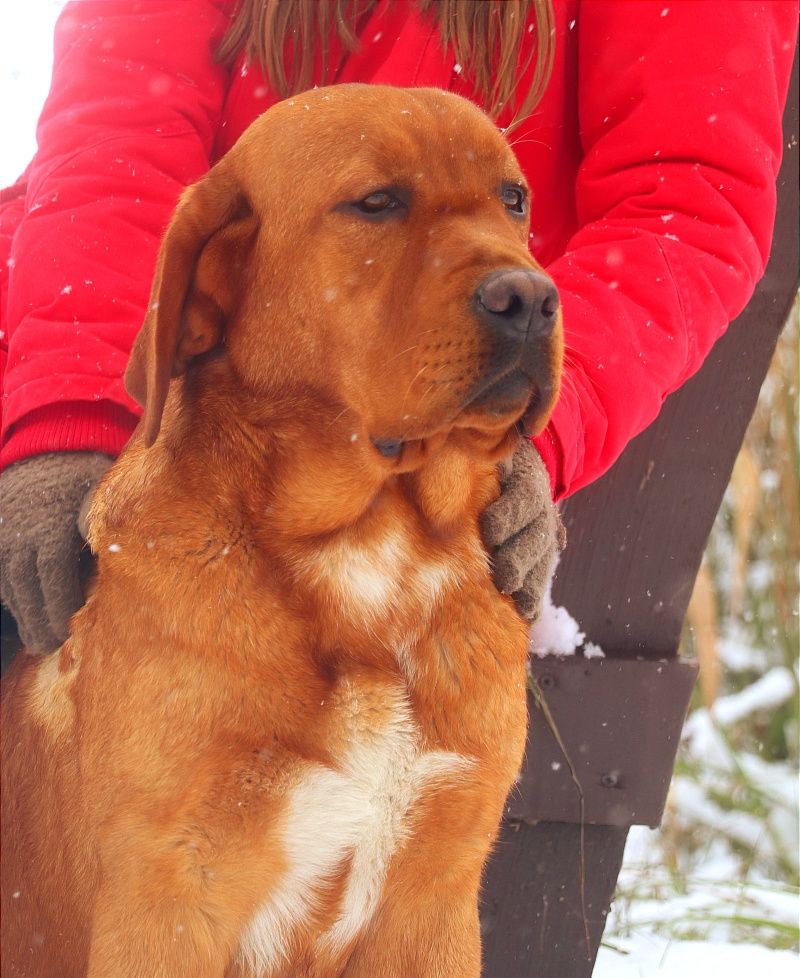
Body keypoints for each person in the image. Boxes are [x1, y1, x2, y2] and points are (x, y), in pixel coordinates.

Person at [1, 0, 795, 654]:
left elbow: (681, 205)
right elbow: (119, 138)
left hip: (401, 468)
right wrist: (69, 411)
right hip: (135, 404)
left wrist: (532, 426)